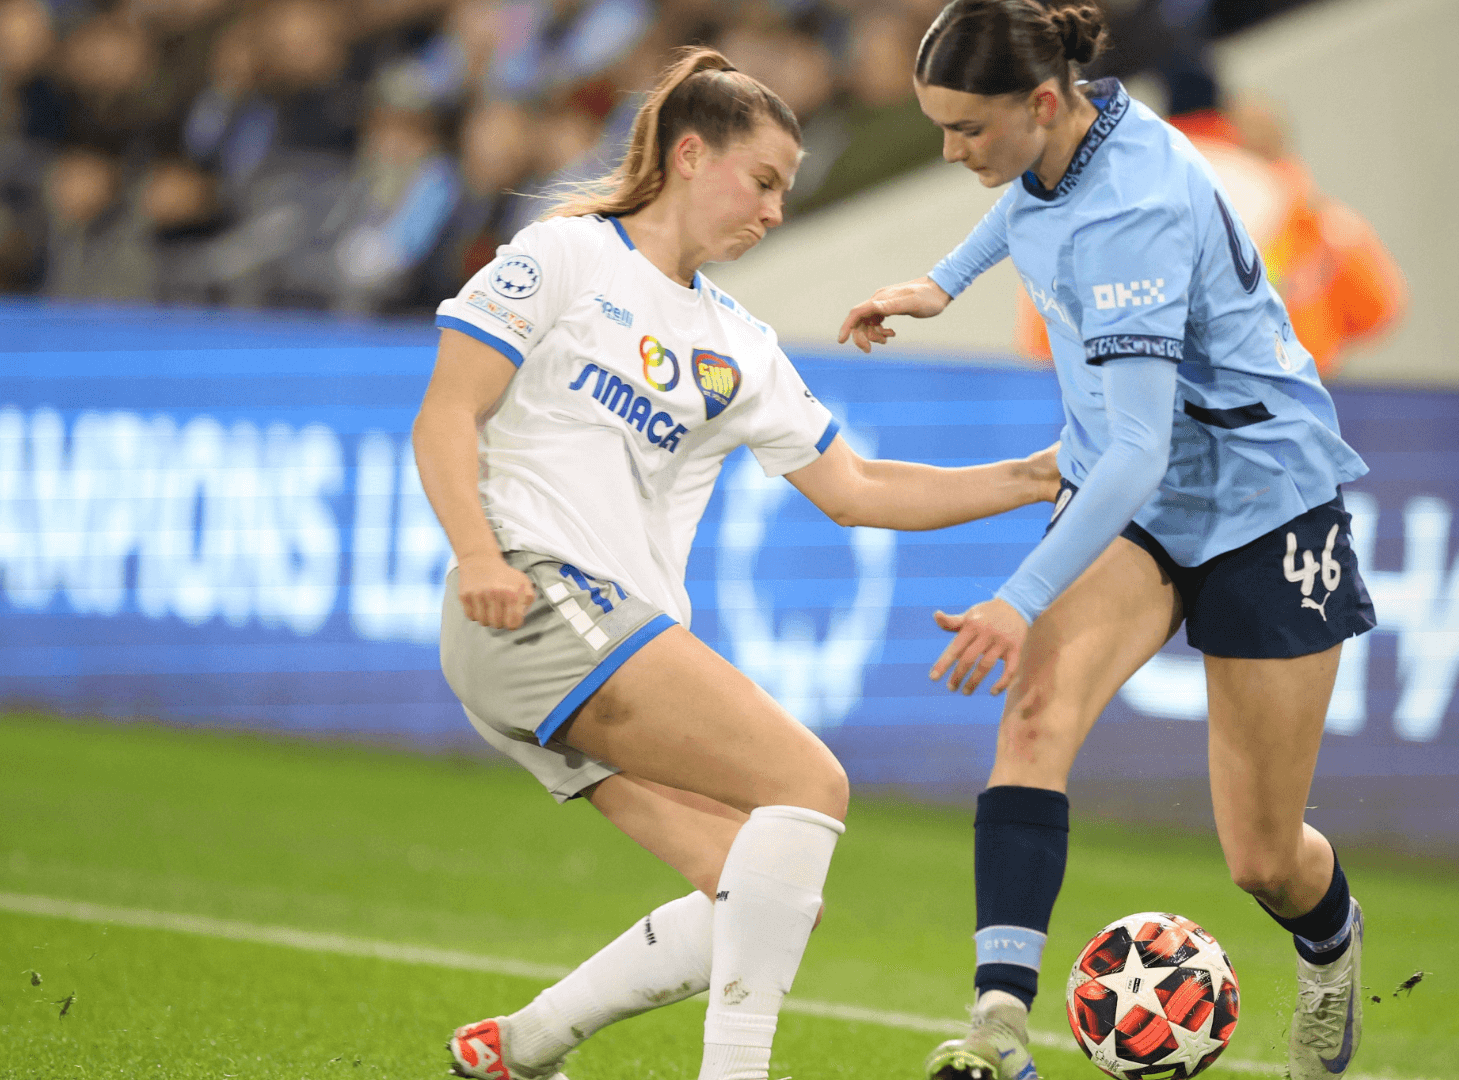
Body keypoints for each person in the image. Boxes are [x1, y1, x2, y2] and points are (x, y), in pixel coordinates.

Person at [414, 47, 1060, 1080]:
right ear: (688, 155)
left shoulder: (739, 342)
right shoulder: (566, 254)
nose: (773, 211)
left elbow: (859, 489)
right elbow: (447, 411)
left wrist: (1033, 475)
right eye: (760, 181)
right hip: (535, 597)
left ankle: (520, 1048)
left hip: (591, 640)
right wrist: (477, 554)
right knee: (809, 782)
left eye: (785, 192)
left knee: (756, 890)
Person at [837, 3, 1376, 1079]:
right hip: (1143, 504)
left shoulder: (1134, 210)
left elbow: (1134, 448)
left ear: (1041, 102)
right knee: (1035, 716)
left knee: (1264, 859)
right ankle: (998, 1026)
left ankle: (1330, 949)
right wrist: (942, 281)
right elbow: (1029, 202)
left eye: (966, 129)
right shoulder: (1079, 134)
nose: (951, 152)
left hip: (1263, 503)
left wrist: (1017, 600)